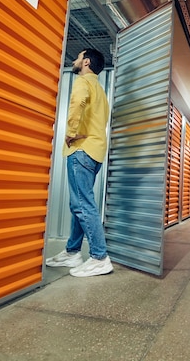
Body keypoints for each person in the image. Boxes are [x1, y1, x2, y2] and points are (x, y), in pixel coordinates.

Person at [46, 48, 113, 277]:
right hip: (95, 152)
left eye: (77, 58)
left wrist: (70, 132)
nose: (74, 61)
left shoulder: (84, 82)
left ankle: (99, 257)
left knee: (83, 205)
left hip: (82, 150)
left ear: (85, 62)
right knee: (79, 205)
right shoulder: (101, 92)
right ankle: (73, 251)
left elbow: (77, 103)